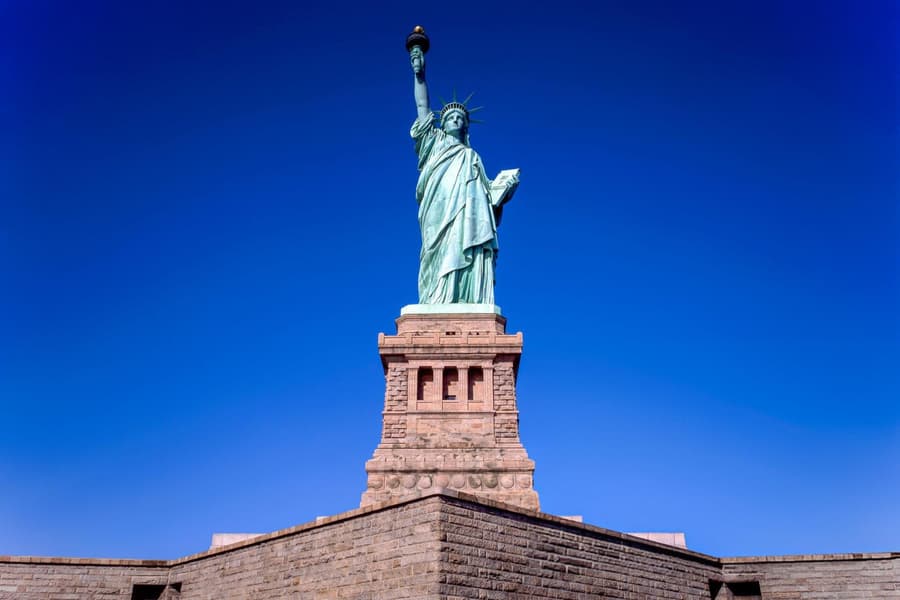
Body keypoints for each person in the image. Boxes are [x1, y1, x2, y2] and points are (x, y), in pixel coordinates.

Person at [409, 45, 518, 305]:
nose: (455, 120)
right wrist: (419, 75)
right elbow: (422, 105)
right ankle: (437, 299)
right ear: (442, 123)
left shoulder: (472, 157)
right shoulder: (433, 143)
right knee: (436, 253)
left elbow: (487, 197)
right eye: (450, 117)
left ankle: (467, 299)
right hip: (438, 210)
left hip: (468, 214)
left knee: (467, 243)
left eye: (460, 118)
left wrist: (502, 190)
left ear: (466, 127)